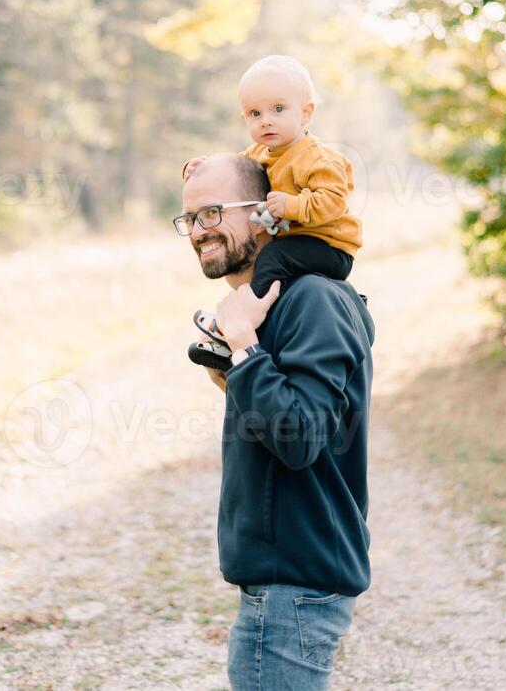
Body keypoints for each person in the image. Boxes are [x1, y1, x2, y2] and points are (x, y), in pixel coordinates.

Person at [178, 152, 374, 690]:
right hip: (279, 581)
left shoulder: (313, 299)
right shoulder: (274, 304)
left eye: (214, 212)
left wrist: (243, 348)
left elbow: (299, 438)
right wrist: (231, 364)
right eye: (191, 218)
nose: (199, 230)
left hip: (296, 584)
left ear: (267, 212)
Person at [180, 55, 363, 370]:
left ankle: (243, 328)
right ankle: (248, 337)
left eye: (278, 109)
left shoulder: (319, 159)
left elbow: (334, 201)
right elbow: (235, 172)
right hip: (295, 243)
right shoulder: (259, 153)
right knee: (273, 261)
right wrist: (202, 166)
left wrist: (292, 205)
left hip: (328, 246)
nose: (265, 120)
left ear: (306, 113)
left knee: (272, 259)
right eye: (254, 113)